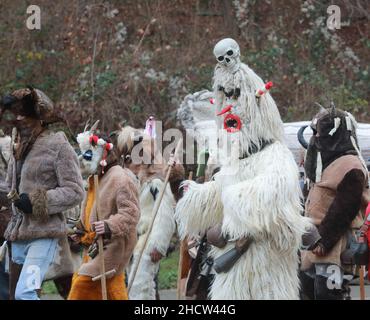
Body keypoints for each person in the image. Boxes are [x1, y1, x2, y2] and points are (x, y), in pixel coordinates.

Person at [175, 38, 310, 300]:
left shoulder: (276, 155)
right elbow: (223, 188)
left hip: (267, 271)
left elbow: (270, 197)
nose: (230, 106)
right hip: (233, 272)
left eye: (235, 96)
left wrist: (230, 195)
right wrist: (196, 196)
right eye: (225, 97)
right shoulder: (236, 159)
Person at [0, 87, 84, 300]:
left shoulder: (58, 144)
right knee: (14, 296)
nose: (19, 119)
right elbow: (10, 188)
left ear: (38, 117)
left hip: (44, 235)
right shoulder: (17, 146)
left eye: (23, 114)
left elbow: (75, 191)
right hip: (17, 235)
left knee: (25, 293)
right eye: (16, 114)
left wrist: (39, 200)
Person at [299, 105, 370, 300]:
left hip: (336, 241)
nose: (316, 137)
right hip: (315, 239)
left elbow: (345, 207)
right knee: (307, 291)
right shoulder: (325, 163)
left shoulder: (351, 165)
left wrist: (325, 240)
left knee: (328, 294)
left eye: (319, 132)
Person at [67, 121, 140, 300]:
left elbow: (131, 213)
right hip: (94, 247)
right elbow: (92, 208)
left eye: (89, 153)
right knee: (110, 289)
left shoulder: (120, 178)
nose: (85, 158)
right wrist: (81, 230)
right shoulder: (96, 178)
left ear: (103, 152)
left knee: (82, 285)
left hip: (114, 246)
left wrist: (109, 226)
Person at [116, 123, 184, 300]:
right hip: (132, 239)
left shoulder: (156, 183)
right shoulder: (131, 182)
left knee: (140, 284)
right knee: (135, 286)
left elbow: (165, 215)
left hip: (148, 240)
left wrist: (158, 245)